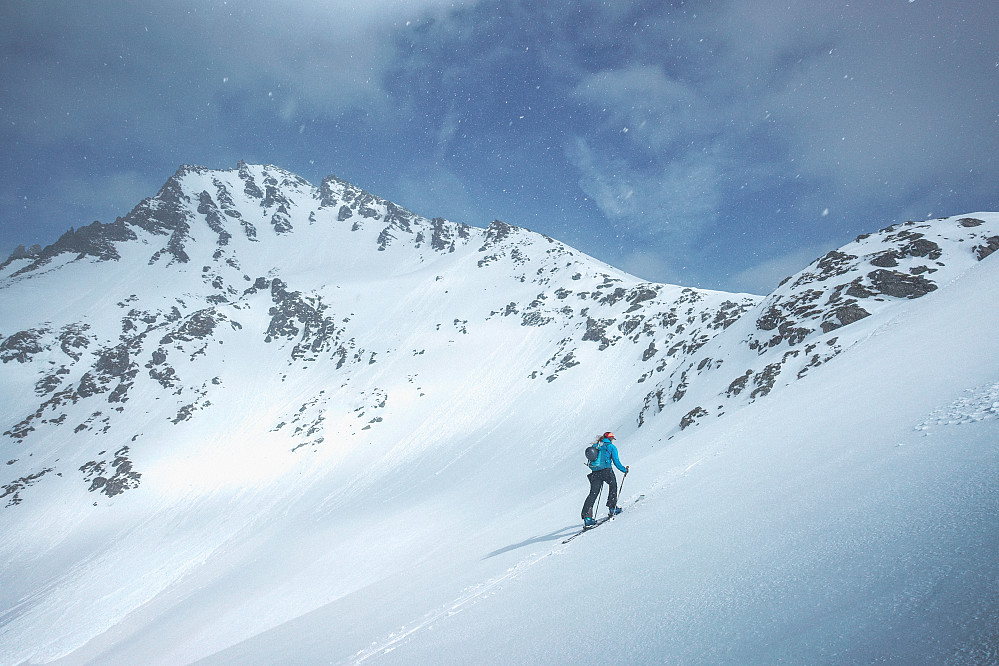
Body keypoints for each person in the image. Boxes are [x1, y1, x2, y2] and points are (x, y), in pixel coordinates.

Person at [581, 431, 629, 526]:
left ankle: (587, 517)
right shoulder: (611, 447)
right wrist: (624, 470)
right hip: (606, 471)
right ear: (611, 439)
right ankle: (612, 508)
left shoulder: (596, 446)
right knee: (613, 486)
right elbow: (616, 461)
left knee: (593, 494)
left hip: (595, 473)